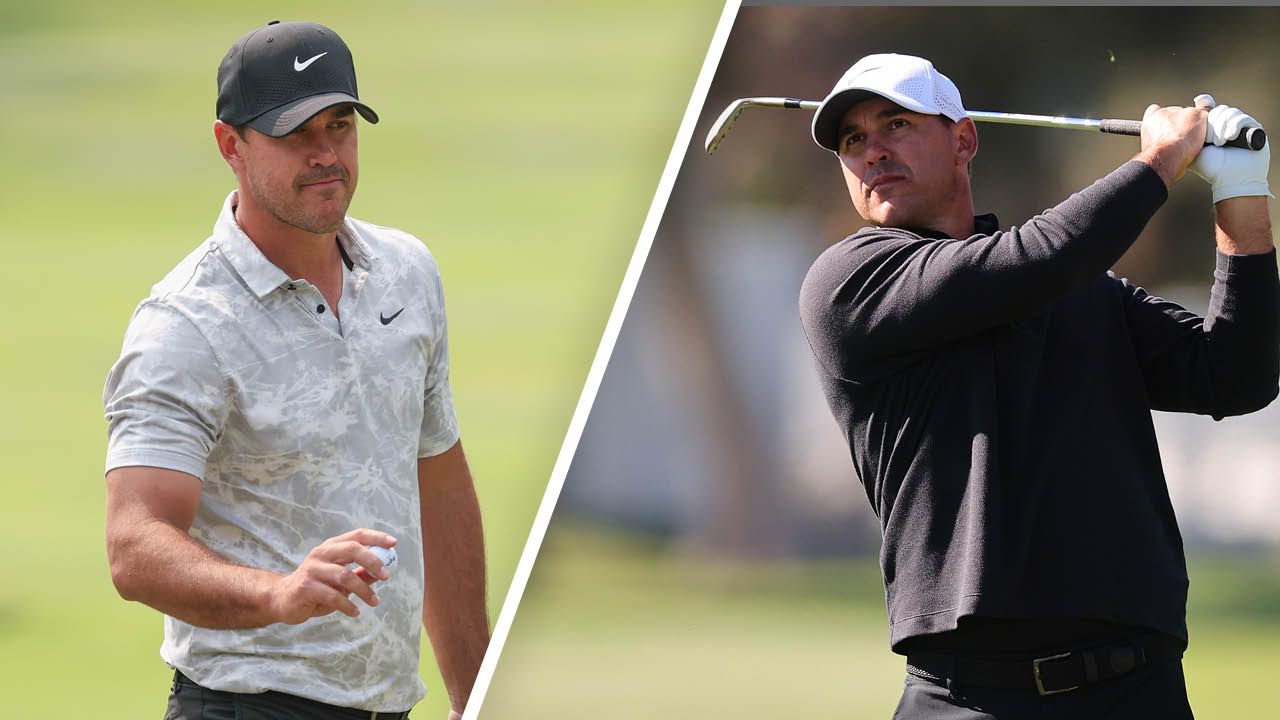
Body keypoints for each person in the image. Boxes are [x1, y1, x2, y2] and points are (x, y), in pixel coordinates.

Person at [799, 53, 1278, 718]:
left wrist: (1242, 195)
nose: (872, 151)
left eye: (896, 124)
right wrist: (1159, 162)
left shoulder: (1081, 291)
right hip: (969, 698)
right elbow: (1037, 258)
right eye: (853, 141)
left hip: (1137, 690)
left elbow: (1234, 377)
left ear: (963, 138)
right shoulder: (849, 282)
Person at [102, 20, 489, 720]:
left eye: (340, 126)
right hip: (246, 704)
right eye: (295, 134)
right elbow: (133, 546)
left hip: (389, 704)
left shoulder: (407, 273)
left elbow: (439, 485)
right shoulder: (184, 323)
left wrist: (478, 694)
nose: (325, 155)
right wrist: (278, 594)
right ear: (231, 146)